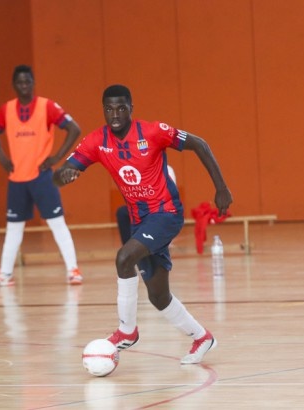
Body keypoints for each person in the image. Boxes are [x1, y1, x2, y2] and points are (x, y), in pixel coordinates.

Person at [53, 84, 232, 364]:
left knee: (124, 258)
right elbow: (62, 173)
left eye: (121, 108)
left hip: (166, 214)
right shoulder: (96, 141)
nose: (115, 114)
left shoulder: (153, 131)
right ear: (103, 110)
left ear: (131, 109)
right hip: (140, 221)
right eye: (109, 109)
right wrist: (63, 176)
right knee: (159, 297)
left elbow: (200, 144)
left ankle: (127, 332)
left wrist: (221, 188)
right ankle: (202, 337)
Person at [0, 65, 83, 287]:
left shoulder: (46, 106)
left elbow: (74, 128)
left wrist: (57, 156)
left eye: (28, 82)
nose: (24, 86)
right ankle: (5, 274)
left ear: (33, 83)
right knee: (14, 227)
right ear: (14, 85)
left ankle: (73, 270)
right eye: (20, 82)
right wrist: (2, 159)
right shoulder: (6, 109)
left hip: (42, 176)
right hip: (17, 178)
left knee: (57, 223)